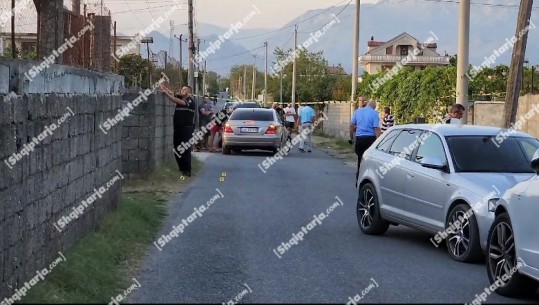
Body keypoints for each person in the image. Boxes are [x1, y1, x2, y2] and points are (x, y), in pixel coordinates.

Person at [161, 84, 196, 177]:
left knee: (185, 149)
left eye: (185, 90)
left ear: (189, 92)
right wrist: (165, 89)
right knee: (177, 148)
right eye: (182, 89)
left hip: (186, 129)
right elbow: (173, 93)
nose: (182, 90)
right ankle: (182, 169)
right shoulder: (181, 98)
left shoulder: (190, 100)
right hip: (177, 128)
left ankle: (187, 170)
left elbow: (178, 101)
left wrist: (168, 95)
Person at [349, 100, 382, 187]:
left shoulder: (357, 111)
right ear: (374, 106)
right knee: (369, 162)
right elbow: (376, 129)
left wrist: (351, 138)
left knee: (360, 159)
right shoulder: (374, 113)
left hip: (359, 139)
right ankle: (367, 181)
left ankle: (358, 181)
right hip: (370, 140)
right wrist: (379, 142)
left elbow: (351, 126)